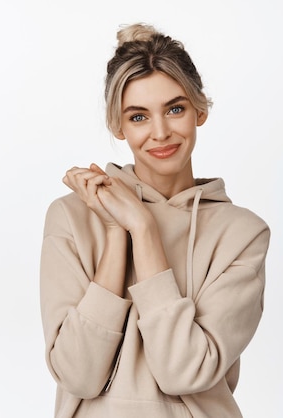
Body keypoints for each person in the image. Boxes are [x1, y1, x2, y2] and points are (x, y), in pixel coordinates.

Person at [39, 22, 270, 418]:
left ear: (201, 110)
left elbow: (183, 371)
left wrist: (143, 229)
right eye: (139, 117)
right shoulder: (72, 216)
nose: (160, 133)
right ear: (118, 125)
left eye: (175, 109)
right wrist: (116, 230)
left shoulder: (242, 234)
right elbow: (77, 375)